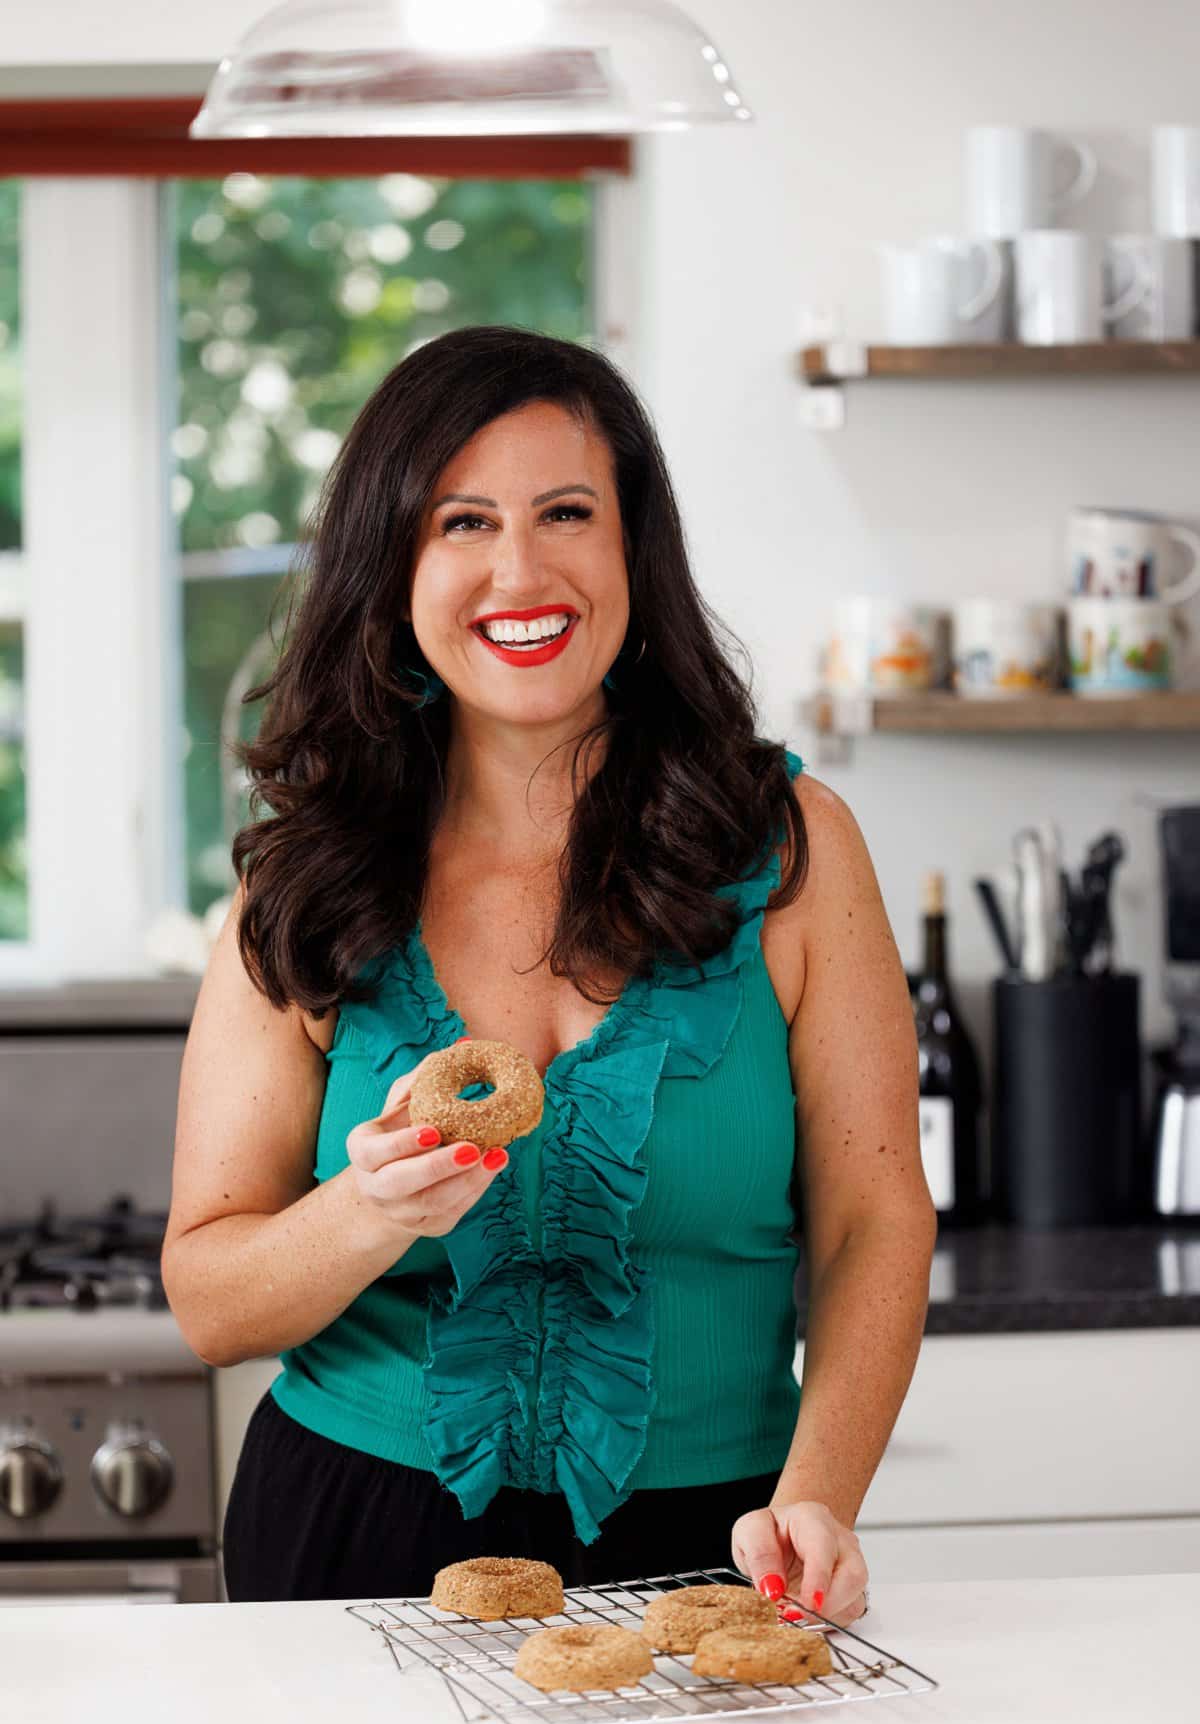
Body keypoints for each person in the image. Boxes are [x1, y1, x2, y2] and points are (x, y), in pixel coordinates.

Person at [164, 325, 936, 1617]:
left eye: (566, 512)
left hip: (725, 1542)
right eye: (461, 522)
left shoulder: (794, 850)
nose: (519, 568)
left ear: (634, 544)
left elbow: (877, 1218)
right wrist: (372, 1210)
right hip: (353, 1542)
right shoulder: (304, 881)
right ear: (393, 566)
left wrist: (820, 1492)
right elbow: (210, 1305)